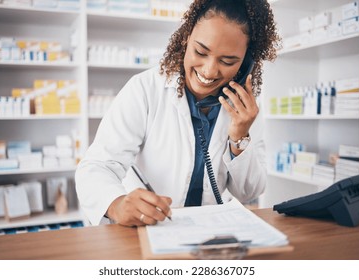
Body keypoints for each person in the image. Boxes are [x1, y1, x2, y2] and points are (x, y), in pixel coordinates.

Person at [75, 0, 280, 227]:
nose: (209, 70)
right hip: (148, 229)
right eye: (201, 52)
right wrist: (116, 204)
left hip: (211, 232)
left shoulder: (245, 108)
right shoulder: (145, 89)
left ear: (246, 64)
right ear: (186, 38)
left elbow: (249, 191)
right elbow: (97, 166)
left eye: (227, 61)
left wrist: (240, 136)